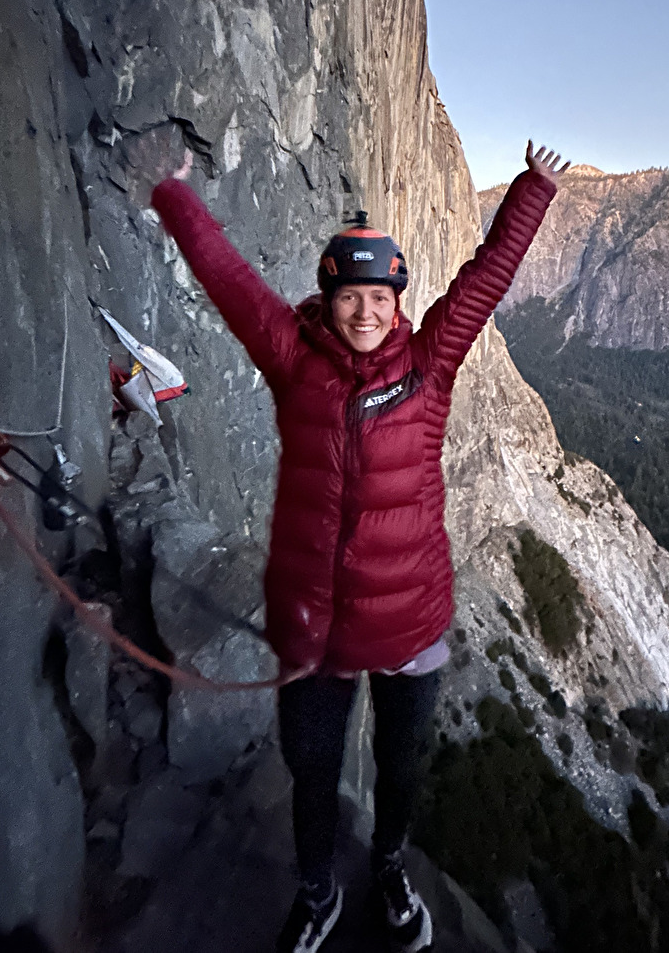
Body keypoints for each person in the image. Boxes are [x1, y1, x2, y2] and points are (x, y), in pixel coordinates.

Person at [128, 129, 568, 952]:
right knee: (312, 770)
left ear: (398, 302)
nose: (367, 312)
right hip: (313, 628)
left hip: (408, 625)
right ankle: (318, 887)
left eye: (381, 297)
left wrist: (531, 192)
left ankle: (390, 866)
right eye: (349, 296)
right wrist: (174, 196)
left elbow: (480, 285)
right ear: (327, 300)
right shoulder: (294, 362)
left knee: (401, 771)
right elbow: (230, 282)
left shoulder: (428, 369)